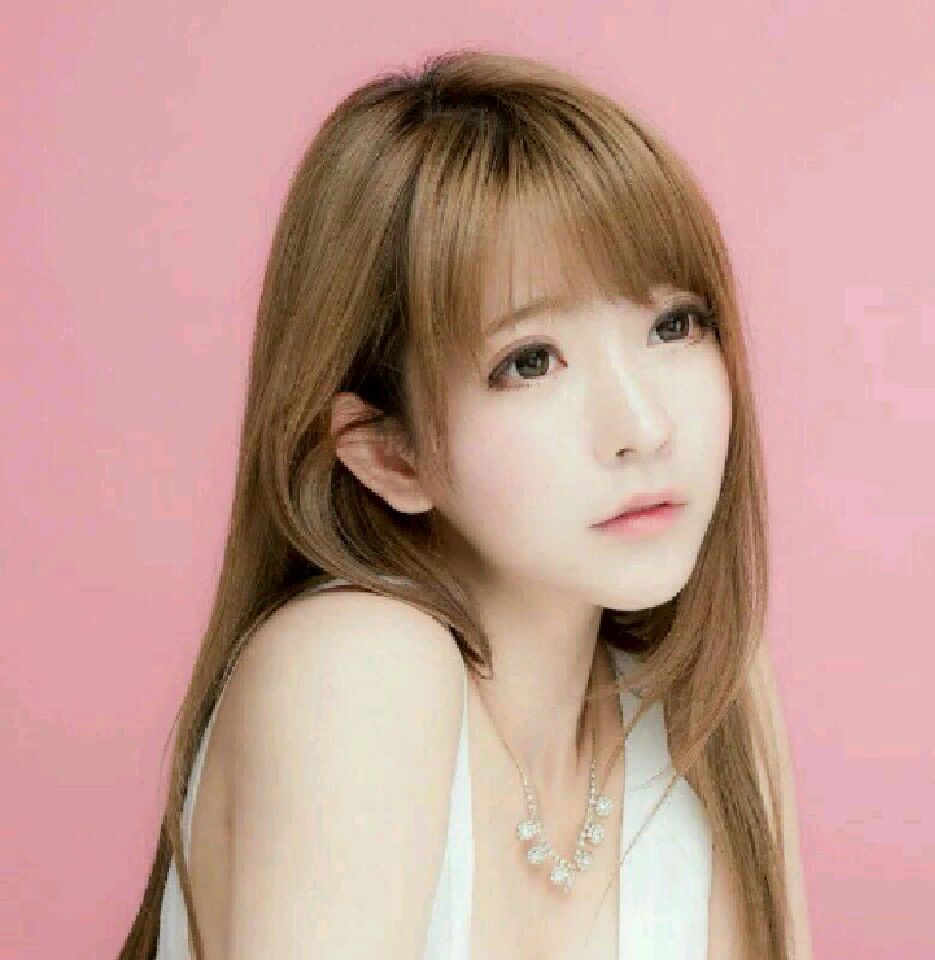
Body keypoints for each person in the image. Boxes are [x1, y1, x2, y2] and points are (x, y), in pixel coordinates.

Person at [117, 49, 812, 960]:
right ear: (387, 452)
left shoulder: (706, 699)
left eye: (672, 325)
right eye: (531, 361)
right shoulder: (360, 667)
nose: (643, 427)